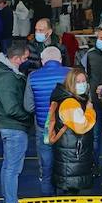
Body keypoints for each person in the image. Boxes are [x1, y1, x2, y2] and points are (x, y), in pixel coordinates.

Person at [0, 41, 32, 203]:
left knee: (8, 167)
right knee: (12, 169)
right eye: (25, 58)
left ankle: (9, 202)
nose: (26, 61)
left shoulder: (4, 74)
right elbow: (11, 108)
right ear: (15, 59)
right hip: (15, 127)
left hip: (8, 127)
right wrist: (29, 117)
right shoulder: (8, 78)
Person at [26, 46, 69, 193]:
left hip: (43, 127)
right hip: (66, 127)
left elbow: (28, 106)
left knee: (46, 169)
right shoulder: (70, 74)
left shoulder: (33, 76)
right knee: (65, 166)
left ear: (43, 61)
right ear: (60, 60)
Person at [47, 67, 96, 196]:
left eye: (84, 81)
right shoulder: (69, 103)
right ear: (70, 84)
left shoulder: (73, 99)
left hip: (71, 161)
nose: (82, 84)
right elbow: (81, 126)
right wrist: (90, 111)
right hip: (72, 163)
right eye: (78, 82)